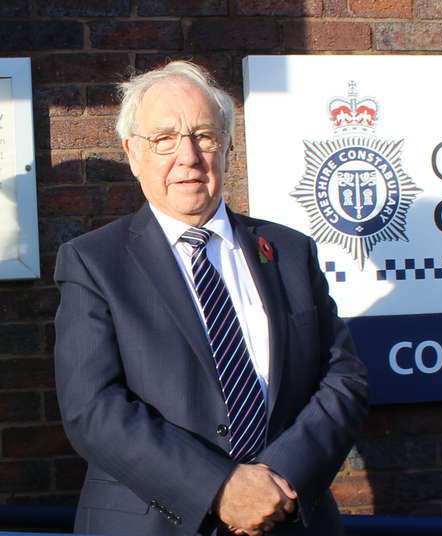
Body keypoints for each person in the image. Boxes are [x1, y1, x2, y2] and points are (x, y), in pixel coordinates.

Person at [54, 61, 368, 536]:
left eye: (203, 136)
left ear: (227, 149)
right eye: (164, 139)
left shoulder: (288, 250)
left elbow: (342, 376)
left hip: (291, 518)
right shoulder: (93, 262)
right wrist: (220, 488)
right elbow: (93, 407)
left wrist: (278, 481)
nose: (188, 157)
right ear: (133, 154)